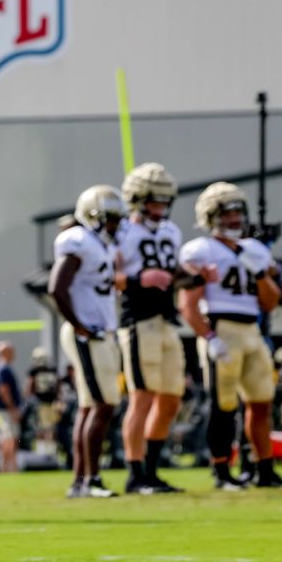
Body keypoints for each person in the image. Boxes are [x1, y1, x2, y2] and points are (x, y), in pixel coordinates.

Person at [179, 183, 282, 490]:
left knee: (262, 403)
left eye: (238, 212)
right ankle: (221, 472)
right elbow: (188, 304)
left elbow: (271, 302)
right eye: (227, 212)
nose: (234, 219)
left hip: (252, 330)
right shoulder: (201, 250)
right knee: (223, 405)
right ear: (212, 216)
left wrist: (258, 273)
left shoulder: (255, 250)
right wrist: (209, 337)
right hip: (222, 328)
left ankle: (264, 469)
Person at [115, 163, 195, 494]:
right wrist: (138, 279)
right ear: (137, 199)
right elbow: (108, 275)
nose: (160, 207)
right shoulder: (121, 232)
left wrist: (194, 274)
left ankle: (151, 470)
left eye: (165, 201)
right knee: (142, 398)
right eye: (154, 200)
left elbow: (173, 274)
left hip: (166, 319)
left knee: (171, 400)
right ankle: (135, 474)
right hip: (137, 320)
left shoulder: (171, 232)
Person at [51, 185, 127, 498]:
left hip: (98, 331)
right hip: (89, 332)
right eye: (108, 219)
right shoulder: (79, 240)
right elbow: (57, 287)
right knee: (103, 405)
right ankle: (90, 480)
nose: (113, 226)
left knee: (89, 407)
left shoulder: (100, 245)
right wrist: (80, 326)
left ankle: (81, 481)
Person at [0, 341, 22, 473]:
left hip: (4, 410)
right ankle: (9, 467)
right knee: (9, 438)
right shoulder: (3, 369)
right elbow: (4, 390)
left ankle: (5, 467)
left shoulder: (2, 368)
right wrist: (12, 409)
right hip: (5, 411)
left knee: (6, 438)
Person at [26, 347, 60, 456]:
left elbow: (30, 387)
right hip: (52, 403)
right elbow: (58, 386)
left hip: (40, 403)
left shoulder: (34, 371)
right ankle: (51, 451)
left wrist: (27, 399)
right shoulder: (53, 370)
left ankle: (42, 453)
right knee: (51, 429)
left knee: (41, 429)